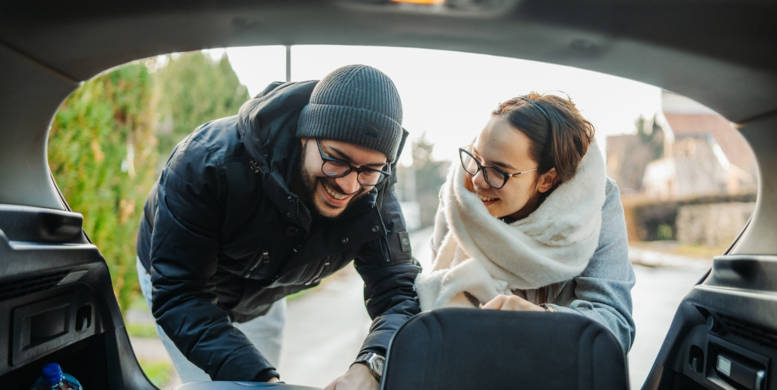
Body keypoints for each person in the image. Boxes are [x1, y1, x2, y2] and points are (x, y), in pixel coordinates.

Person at [135, 64, 420, 389]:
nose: (349, 184)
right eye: (336, 159)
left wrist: (372, 365)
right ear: (305, 136)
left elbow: (399, 291)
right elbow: (181, 294)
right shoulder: (206, 163)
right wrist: (262, 381)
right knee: (235, 384)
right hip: (184, 285)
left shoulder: (375, 193)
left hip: (264, 291)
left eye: (369, 169)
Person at [415, 93, 635, 352]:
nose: (476, 180)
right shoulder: (457, 199)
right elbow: (437, 306)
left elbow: (614, 325)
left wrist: (541, 320)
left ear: (546, 180)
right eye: (476, 157)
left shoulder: (598, 202)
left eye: (498, 171)